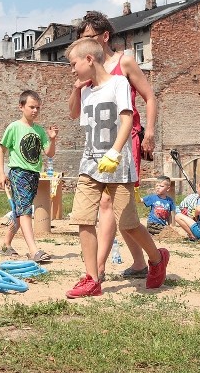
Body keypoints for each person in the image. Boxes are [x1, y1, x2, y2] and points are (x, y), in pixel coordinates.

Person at [65, 37, 169, 298]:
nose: (72, 69)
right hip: (90, 164)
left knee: (129, 223)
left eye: (73, 64)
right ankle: (92, 278)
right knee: (83, 219)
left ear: (89, 59)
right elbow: (72, 113)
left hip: (117, 165)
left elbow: (126, 121)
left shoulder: (119, 83)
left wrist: (114, 152)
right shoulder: (86, 90)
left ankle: (157, 259)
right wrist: (76, 89)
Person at [0, 90, 58, 263]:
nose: (35, 111)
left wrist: (52, 139)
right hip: (18, 173)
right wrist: (1, 173)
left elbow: (49, 153)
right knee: (25, 212)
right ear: (21, 107)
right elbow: (1, 150)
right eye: (31, 107)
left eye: (38, 108)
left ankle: (6, 245)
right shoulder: (14, 127)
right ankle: (34, 250)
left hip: (34, 174)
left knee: (19, 212)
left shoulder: (39, 130)